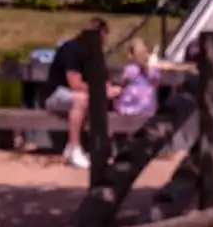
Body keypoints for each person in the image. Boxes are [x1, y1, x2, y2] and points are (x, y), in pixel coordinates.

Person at [42, 17, 119, 169]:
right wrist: (102, 91)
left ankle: (99, 148)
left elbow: (104, 80)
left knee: (95, 101)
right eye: (104, 35)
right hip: (56, 95)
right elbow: (74, 84)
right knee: (81, 99)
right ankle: (74, 148)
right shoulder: (72, 49)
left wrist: (110, 90)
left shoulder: (96, 54)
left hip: (83, 97)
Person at [113, 38, 161, 117]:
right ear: (132, 56)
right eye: (139, 54)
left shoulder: (152, 69)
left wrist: (147, 70)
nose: (143, 56)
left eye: (144, 53)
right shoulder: (130, 69)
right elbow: (123, 83)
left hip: (147, 104)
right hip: (131, 104)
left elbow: (156, 83)